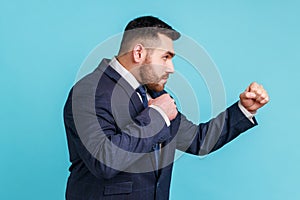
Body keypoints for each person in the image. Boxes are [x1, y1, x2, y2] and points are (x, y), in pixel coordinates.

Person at [63, 16, 269, 200]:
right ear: (138, 53)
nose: (171, 68)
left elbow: (200, 140)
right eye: (166, 57)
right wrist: (157, 115)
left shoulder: (155, 94)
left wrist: (244, 109)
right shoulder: (88, 91)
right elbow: (104, 161)